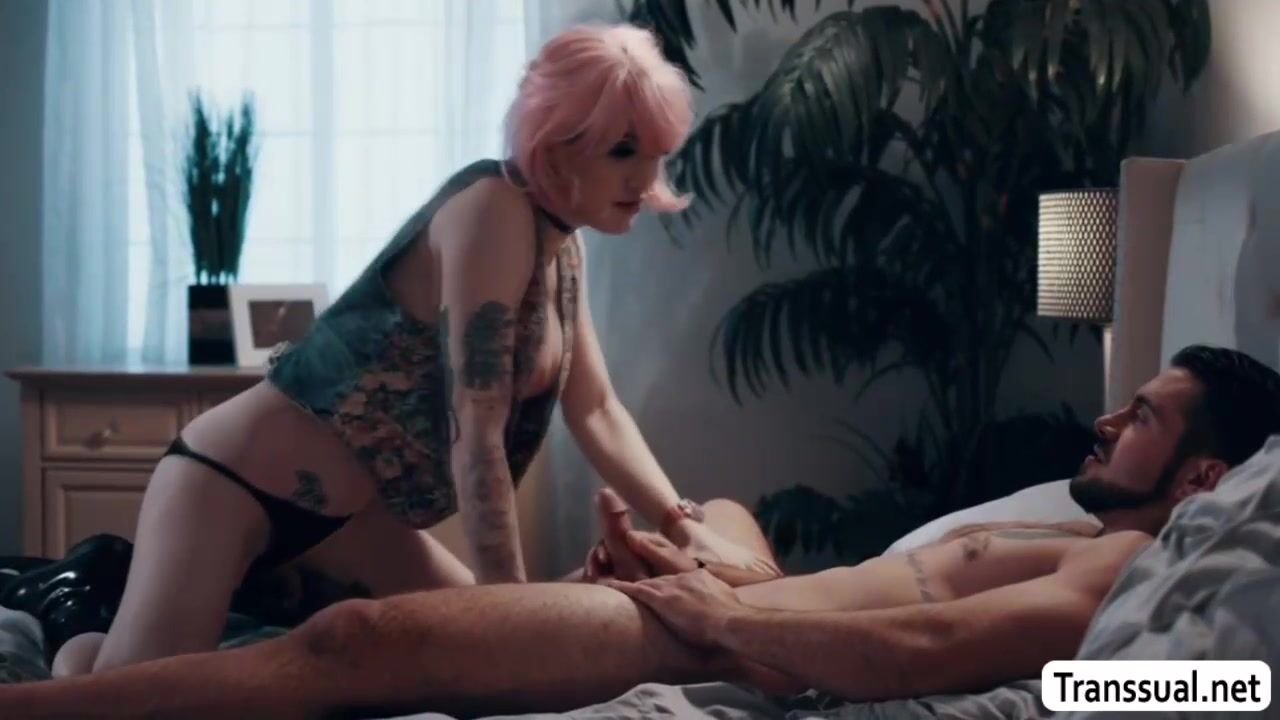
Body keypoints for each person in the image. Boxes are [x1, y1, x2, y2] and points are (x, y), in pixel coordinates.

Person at [33, 23, 776, 679]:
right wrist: (516, 614)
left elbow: (599, 410)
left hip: (351, 522)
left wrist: (683, 524)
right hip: (230, 486)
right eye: (622, 151)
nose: (646, 179)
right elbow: (475, 433)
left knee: (468, 665)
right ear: (554, 142)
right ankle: (72, 601)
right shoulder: (492, 209)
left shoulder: (564, 251)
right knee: (124, 696)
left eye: (655, 152)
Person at [3, 345, 1279, 719]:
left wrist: (714, 614)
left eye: (1142, 416)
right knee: (709, 510)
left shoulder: (1132, 567)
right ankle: (90, 625)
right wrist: (707, 559)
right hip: (755, 603)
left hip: (723, 641)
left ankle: (56, 673)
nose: (1104, 418)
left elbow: (935, 652)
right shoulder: (1066, 524)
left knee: (360, 642)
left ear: (1205, 475)